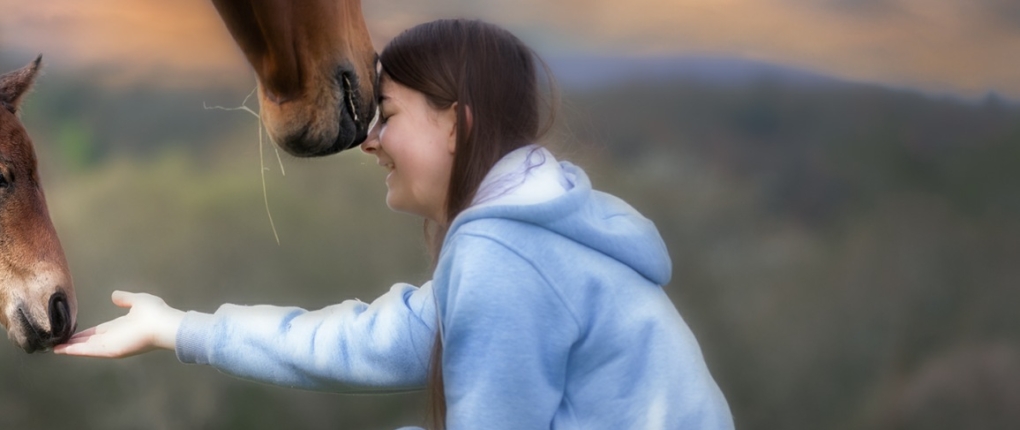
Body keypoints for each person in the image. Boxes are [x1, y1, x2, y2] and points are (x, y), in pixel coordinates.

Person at [54, 18, 734, 429]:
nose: (368, 141)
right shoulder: (523, 240)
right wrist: (176, 328)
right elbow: (361, 342)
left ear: (457, 126)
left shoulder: (505, 256)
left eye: (389, 114)